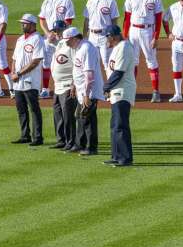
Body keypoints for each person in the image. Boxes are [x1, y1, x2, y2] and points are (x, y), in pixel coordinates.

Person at [123, 0, 163, 103]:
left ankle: (156, 92)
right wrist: (125, 35)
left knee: (151, 60)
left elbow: (158, 18)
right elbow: (127, 17)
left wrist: (156, 37)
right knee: (132, 61)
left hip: (147, 31)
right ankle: (131, 91)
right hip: (133, 30)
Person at [65, 27, 103, 156]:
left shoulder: (86, 48)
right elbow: (78, 70)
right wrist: (74, 85)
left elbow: (89, 75)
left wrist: (87, 94)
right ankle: (79, 144)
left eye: (68, 40)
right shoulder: (79, 48)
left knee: (88, 118)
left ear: (75, 38)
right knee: (80, 117)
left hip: (89, 91)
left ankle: (91, 147)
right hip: (82, 89)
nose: (66, 43)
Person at [103, 25, 135, 167]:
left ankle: (125, 158)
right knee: (114, 125)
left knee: (120, 125)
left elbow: (119, 72)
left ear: (113, 36)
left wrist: (106, 87)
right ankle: (116, 155)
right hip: (116, 91)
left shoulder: (124, 47)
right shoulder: (117, 47)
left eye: (107, 37)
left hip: (123, 91)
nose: (106, 40)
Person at [10, 14, 45, 146]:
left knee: (34, 108)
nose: (22, 25)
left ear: (32, 25)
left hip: (30, 80)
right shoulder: (20, 39)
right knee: (21, 109)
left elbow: (35, 62)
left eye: (24, 23)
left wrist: (18, 73)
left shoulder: (37, 39)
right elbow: (14, 58)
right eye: (22, 23)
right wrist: (13, 72)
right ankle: (25, 135)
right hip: (18, 81)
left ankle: (38, 137)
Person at [38, 0, 75, 99]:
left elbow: (68, 20)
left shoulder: (67, 1)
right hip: (48, 37)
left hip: (62, 38)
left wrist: (58, 33)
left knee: (64, 60)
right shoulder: (46, 1)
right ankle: (45, 89)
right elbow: (42, 19)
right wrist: (48, 33)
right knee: (46, 62)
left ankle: (66, 87)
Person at [82, 0, 119, 78]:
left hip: (105, 36)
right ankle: (95, 89)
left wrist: (112, 38)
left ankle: (111, 89)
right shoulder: (90, 1)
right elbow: (86, 20)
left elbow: (114, 21)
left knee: (107, 64)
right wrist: (85, 37)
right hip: (92, 37)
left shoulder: (110, 1)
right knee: (92, 63)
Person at [47, 20, 75, 150]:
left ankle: (71, 141)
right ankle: (61, 140)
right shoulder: (59, 44)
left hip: (67, 85)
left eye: (59, 30)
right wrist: (51, 40)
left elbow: (77, 65)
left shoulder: (70, 45)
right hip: (58, 86)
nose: (56, 33)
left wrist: (74, 84)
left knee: (68, 115)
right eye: (55, 31)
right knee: (58, 113)